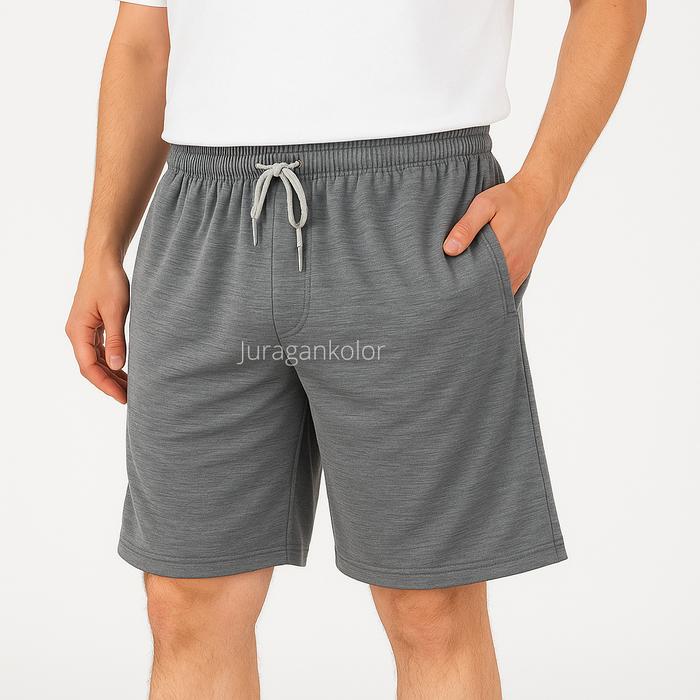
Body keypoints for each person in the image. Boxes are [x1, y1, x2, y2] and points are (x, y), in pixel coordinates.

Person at [65, 1, 645, 697]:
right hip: (203, 217)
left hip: (417, 215)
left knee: (430, 607)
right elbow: (143, 37)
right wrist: (102, 245)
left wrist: (541, 191)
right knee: (185, 599)